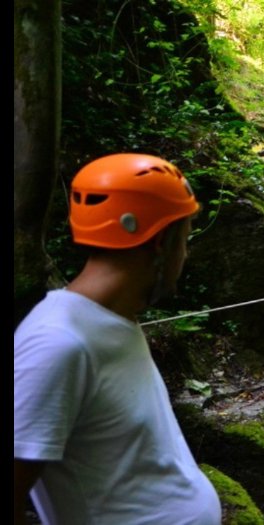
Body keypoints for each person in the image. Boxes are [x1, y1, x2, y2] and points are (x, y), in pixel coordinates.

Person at [14, 153, 222, 525]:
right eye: (185, 237)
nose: (185, 253)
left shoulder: (111, 320)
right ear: (160, 242)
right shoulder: (58, 343)